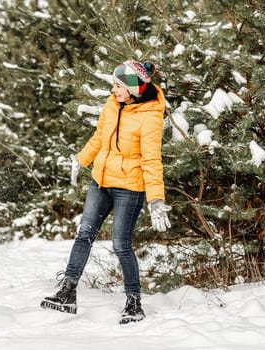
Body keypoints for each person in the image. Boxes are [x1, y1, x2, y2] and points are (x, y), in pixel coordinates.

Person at [40, 60, 171, 324]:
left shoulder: (150, 116)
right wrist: (81, 159)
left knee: (121, 244)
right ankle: (67, 291)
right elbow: (100, 137)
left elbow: (151, 160)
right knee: (84, 233)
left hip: (129, 188)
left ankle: (134, 303)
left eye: (119, 86)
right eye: (114, 84)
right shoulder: (113, 105)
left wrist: (156, 198)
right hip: (100, 180)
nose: (114, 90)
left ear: (134, 88)